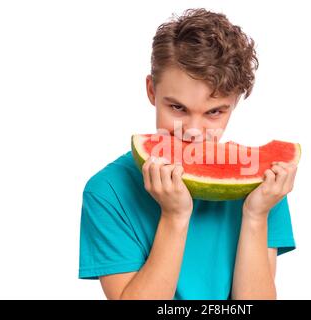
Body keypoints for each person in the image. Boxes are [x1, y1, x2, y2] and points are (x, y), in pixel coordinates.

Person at [78, 8, 298, 300]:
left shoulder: (262, 185)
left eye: (214, 112)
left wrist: (256, 215)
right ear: (152, 91)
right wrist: (175, 216)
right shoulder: (107, 192)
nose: (193, 131)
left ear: (233, 104)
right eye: (178, 108)